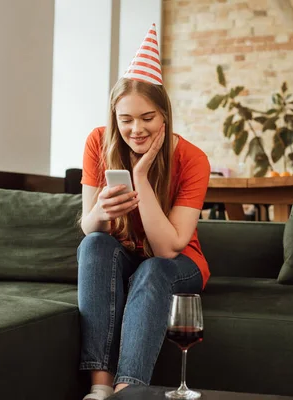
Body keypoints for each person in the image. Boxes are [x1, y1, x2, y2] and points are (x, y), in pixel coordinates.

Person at [77, 23, 211, 400]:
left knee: (153, 268)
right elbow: (89, 228)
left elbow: (169, 248)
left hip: (177, 263)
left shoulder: (192, 158)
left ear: (164, 116)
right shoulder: (98, 142)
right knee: (96, 245)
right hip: (125, 255)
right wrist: (101, 211)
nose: (136, 130)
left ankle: (128, 392)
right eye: (126, 119)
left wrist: (141, 177)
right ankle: (100, 388)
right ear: (114, 117)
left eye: (147, 118)